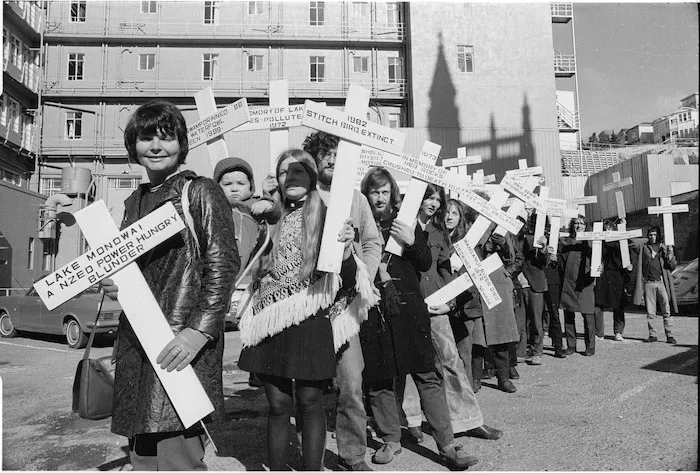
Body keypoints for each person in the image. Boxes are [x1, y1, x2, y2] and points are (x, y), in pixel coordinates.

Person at [101, 100, 240, 470]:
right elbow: (136, 268)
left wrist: (199, 331)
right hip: (137, 343)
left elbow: (223, 265)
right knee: (143, 453)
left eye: (167, 137)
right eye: (147, 138)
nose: (157, 146)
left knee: (177, 455)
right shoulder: (134, 201)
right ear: (134, 145)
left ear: (182, 144)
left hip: (179, 343)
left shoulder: (200, 191)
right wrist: (120, 284)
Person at [236, 149, 364, 471]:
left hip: (311, 319)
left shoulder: (330, 216)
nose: (290, 178)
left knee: (310, 401)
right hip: (270, 320)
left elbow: (347, 281)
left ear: (312, 177)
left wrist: (347, 249)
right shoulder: (268, 217)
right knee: (278, 406)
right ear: (275, 181)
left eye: (298, 171)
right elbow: (253, 266)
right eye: (283, 173)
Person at [359, 168, 478, 470]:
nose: (380, 197)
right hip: (373, 309)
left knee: (427, 376)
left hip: (409, 309)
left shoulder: (406, 220)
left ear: (393, 194)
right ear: (367, 193)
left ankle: (447, 445)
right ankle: (390, 439)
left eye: (385, 191)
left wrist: (412, 240)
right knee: (379, 379)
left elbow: (425, 262)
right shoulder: (358, 224)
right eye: (375, 192)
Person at [300, 131, 382, 471]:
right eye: (324, 154)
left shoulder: (355, 198)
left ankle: (352, 455)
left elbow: (373, 242)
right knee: (307, 389)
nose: (331, 160)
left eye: (336, 153)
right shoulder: (303, 195)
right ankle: (310, 458)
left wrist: (365, 277)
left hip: (345, 307)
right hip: (307, 303)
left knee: (351, 383)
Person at [402, 185, 500, 441]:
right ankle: (411, 420)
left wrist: (451, 302)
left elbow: (447, 270)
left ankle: (468, 420)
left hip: (436, 304)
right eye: (429, 198)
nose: (433, 204)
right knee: (409, 363)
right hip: (408, 305)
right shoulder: (402, 226)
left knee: (451, 360)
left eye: (437, 199)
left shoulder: (439, 232)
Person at [517, 211, 553, 366]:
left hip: (535, 285)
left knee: (536, 322)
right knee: (520, 322)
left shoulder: (537, 240)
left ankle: (537, 351)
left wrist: (544, 249)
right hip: (517, 285)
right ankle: (520, 352)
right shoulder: (513, 240)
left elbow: (544, 263)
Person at [632, 225, 678, 344]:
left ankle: (670, 335)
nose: (653, 237)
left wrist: (671, 254)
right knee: (651, 311)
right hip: (649, 283)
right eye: (651, 234)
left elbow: (672, 266)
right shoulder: (645, 248)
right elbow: (632, 243)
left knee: (666, 310)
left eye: (655, 234)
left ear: (659, 235)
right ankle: (652, 334)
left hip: (662, 282)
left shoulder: (664, 248)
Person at [559, 216, 597, 356]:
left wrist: (599, 268)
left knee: (588, 316)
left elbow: (599, 259)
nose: (579, 225)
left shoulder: (592, 242)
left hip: (585, 282)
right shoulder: (566, 241)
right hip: (568, 282)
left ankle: (590, 346)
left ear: (586, 226)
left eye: (582, 223)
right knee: (568, 315)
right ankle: (571, 345)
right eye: (576, 223)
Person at [594, 219, 633, 342]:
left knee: (618, 304)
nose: (607, 232)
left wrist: (623, 226)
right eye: (605, 230)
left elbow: (629, 250)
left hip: (617, 274)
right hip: (603, 274)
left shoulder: (620, 242)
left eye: (609, 229)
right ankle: (599, 333)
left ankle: (618, 331)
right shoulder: (599, 242)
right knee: (599, 303)